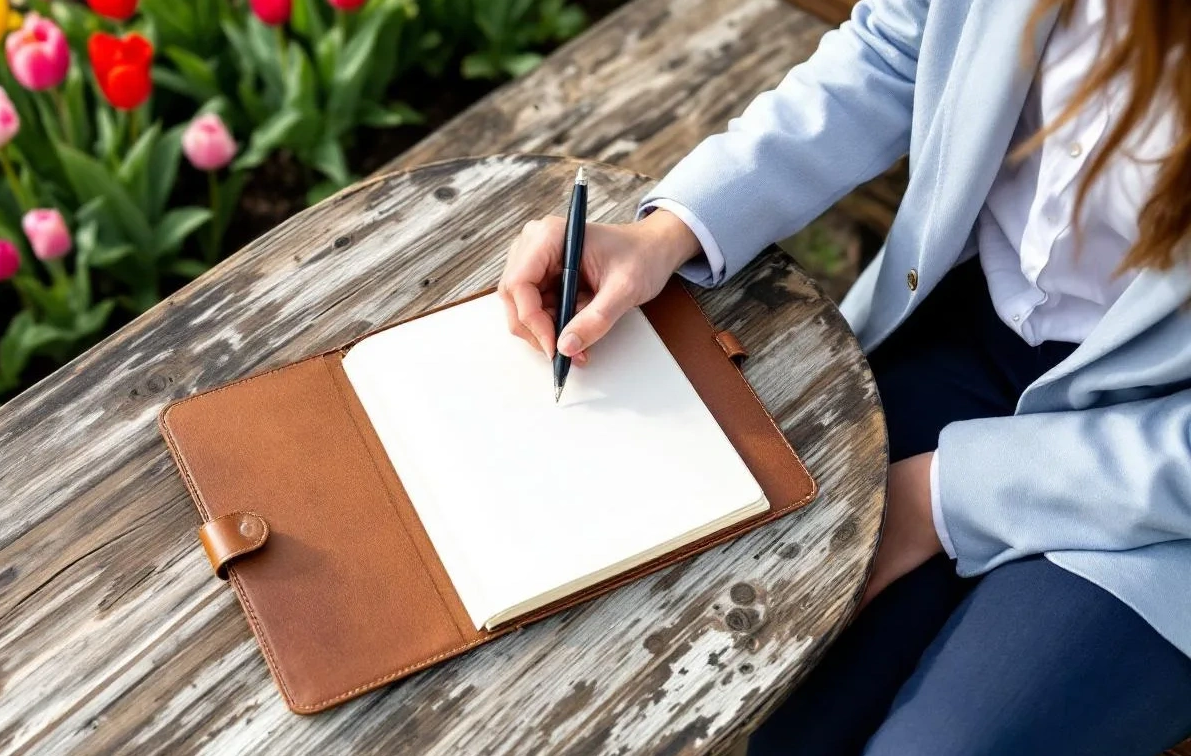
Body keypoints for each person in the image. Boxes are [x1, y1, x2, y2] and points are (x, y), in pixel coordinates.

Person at [500, 0, 1191, 753]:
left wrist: (939, 497)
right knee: (768, 690)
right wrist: (668, 232)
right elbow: (897, 51)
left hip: (1164, 499)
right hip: (964, 329)